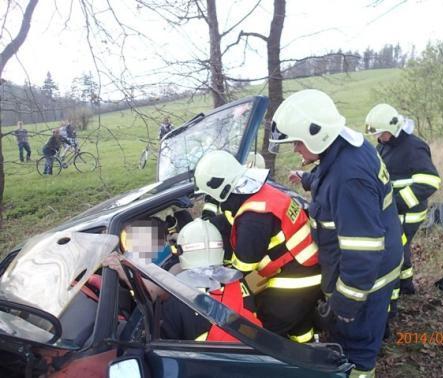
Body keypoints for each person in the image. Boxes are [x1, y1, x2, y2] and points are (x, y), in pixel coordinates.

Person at [269, 89, 403, 377]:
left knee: (357, 353)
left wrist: (345, 305)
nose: (295, 149)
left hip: (366, 283)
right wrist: (307, 178)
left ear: (317, 134)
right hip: (374, 272)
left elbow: (362, 253)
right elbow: (329, 175)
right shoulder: (347, 147)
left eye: (297, 142)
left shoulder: (349, 179)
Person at [194, 150, 322, 343]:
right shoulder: (261, 194)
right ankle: (311, 350)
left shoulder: (253, 218)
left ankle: (282, 364)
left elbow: (244, 265)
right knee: (299, 321)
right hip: (307, 266)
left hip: (296, 279)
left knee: (267, 331)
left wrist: (214, 277)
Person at [105, 218, 261, 342]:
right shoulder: (238, 282)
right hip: (259, 354)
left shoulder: (177, 302)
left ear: (181, 252)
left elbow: (160, 349)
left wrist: (122, 270)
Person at [365, 104, 440, 295]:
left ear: (393, 128)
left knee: (397, 246)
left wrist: (396, 203)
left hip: (410, 211)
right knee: (400, 245)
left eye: (381, 133)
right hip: (394, 209)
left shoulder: (414, 147)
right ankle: (406, 285)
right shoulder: (384, 146)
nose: (378, 137)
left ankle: (400, 289)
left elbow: (429, 181)